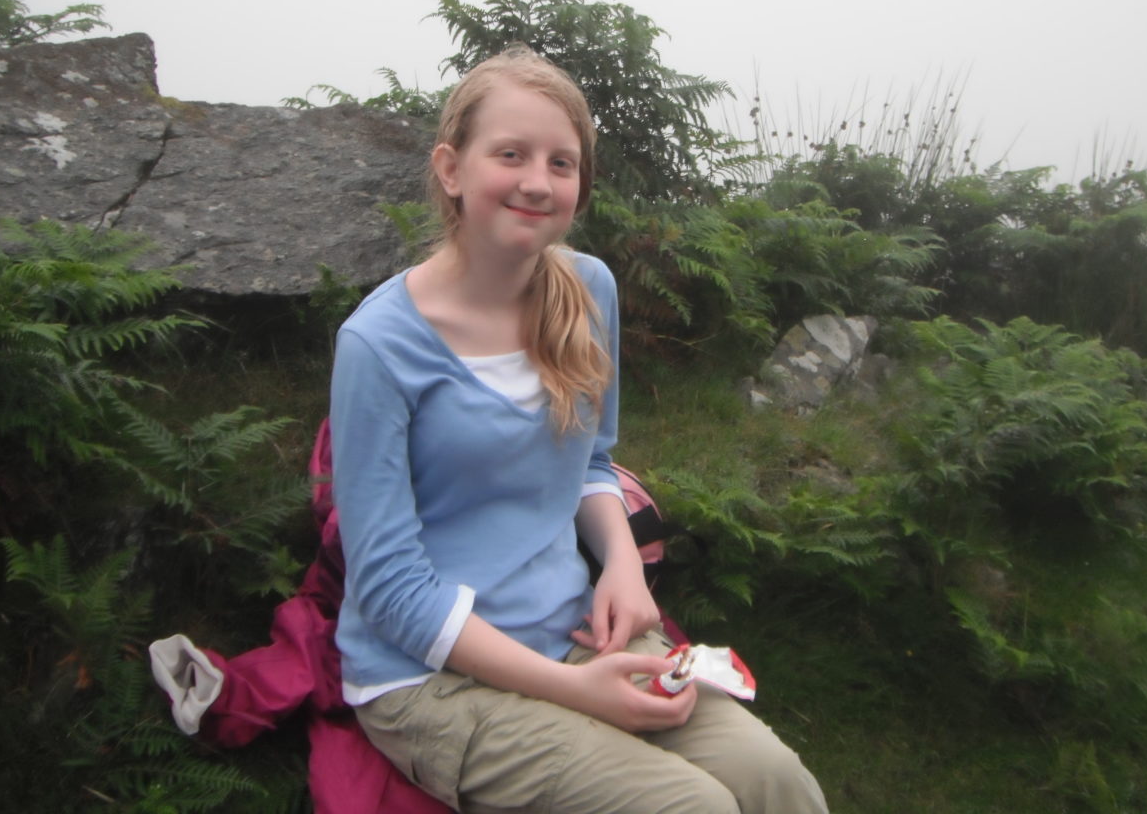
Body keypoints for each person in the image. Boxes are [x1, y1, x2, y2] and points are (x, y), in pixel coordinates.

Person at [328, 45, 828, 814]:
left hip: (572, 627)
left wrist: (623, 567)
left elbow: (593, 462)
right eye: (511, 154)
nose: (537, 180)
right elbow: (391, 590)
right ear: (451, 169)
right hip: (430, 676)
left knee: (777, 783)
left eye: (562, 163)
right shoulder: (379, 345)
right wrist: (575, 691)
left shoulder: (588, 290)